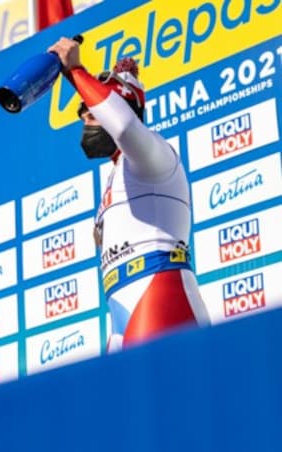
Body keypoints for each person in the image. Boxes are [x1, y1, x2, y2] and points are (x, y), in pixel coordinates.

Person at [48, 37, 211, 351]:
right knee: (122, 401)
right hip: (119, 307)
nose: (85, 116)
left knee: (166, 398)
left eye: (92, 110)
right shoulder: (116, 173)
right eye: (82, 112)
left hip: (159, 288)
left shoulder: (154, 152)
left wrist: (77, 72)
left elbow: (122, 126)